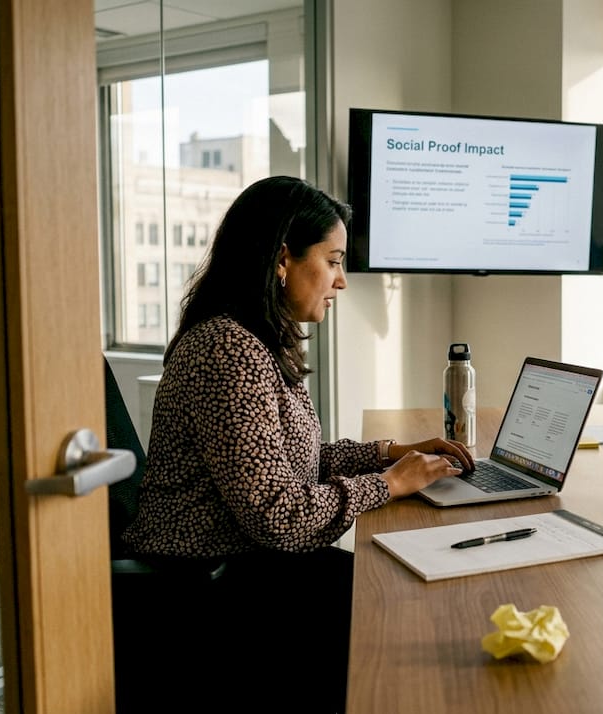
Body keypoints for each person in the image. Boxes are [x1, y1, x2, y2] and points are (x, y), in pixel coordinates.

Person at [121, 175, 473, 712]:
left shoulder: (256, 339)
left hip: (245, 557)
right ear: (282, 259)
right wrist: (387, 485)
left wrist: (389, 453)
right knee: (390, 599)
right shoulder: (228, 351)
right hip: (210, 581)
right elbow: (280, 515)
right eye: (333, 261)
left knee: (391, 584)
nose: (342, 281)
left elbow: (297, 463)